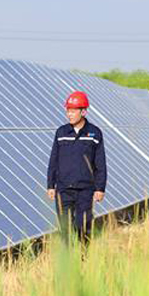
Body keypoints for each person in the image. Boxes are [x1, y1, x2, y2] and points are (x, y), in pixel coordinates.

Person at [47, 91, 107, 243]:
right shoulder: (61, 132)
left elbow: (100, 162)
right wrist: (50, 185)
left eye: (73, 111)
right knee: (65, 229)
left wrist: (100, 188)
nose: (69, 114)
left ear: (83, 111)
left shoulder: (94, 133)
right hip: (63, 189)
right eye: (68, 110)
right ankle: (67, 260)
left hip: (85, 190)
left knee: (83, 226)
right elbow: (53, 160)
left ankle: (83, 258)